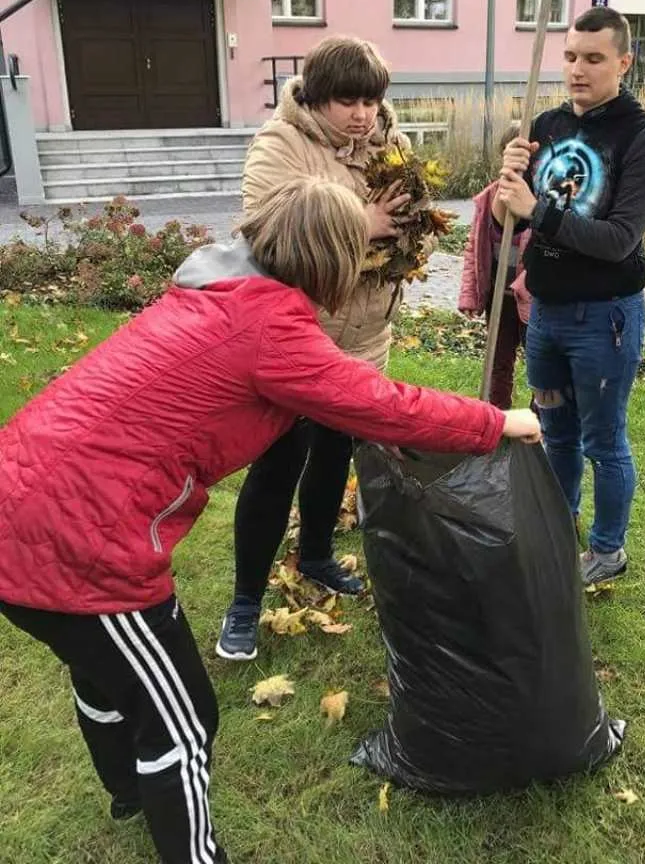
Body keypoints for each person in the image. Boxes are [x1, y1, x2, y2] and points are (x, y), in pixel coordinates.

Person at [0, 177, 540, 864]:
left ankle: (130, 792)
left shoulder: (213, 292)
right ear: (329, 256)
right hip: (80, 537)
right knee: (184, 722)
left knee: (102, 671)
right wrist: (498, 420)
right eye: (359, 249)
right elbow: (382, 404)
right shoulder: (267, 327)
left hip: (17, 501)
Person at [217, 36, 417, 662]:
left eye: (370, 101)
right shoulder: (281, 144)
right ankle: (245, 599)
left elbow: (412, 217)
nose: (361, 114)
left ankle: (319, 557)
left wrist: (409, 238)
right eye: (346, 102)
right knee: (279, 462)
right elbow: (270, 237)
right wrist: (367, 223)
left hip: (364, 336)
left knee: (335, 452)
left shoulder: (393, 143)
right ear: (315, 95)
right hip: (298, 339)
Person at [494, 6, 645, 585]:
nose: (578, 69)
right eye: (570, 56)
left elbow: (620, 240)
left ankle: (607, 550)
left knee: (603, 440)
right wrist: (509, 184)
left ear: (623, 62)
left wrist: (537, 209)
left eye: (593, 58)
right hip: (544, 314)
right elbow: (510, 221)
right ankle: (560, 524)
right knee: (555, 431)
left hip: (604, 321)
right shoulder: (546, 126)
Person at [458, 125, 532, 409]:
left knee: (540, 366)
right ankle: (497, 418)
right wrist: (470, 296)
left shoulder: (542, 201)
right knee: (498, 362)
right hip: (499, 297)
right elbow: (474, 249)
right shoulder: (489, 198)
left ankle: (540, 424)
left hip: (531, 299)